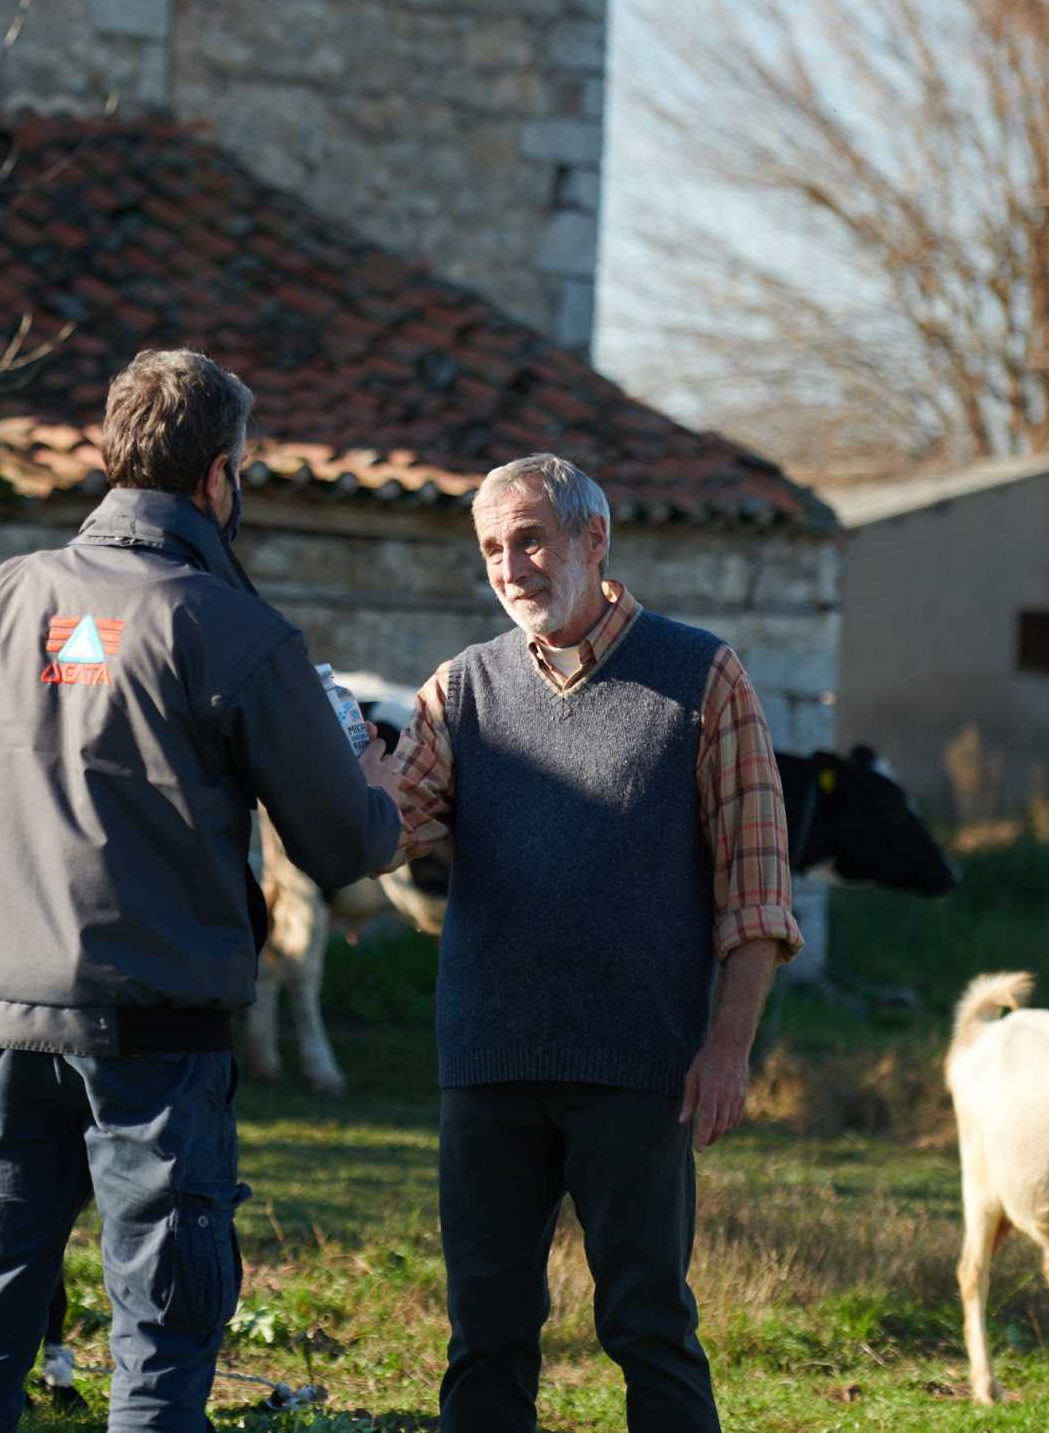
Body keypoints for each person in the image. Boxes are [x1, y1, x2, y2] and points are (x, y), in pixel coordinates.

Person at [0, 347, 402, 1433]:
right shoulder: (236, 631)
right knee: (159, 1337)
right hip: (160, 1039)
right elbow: (342, 847)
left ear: (112, 455)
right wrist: (383, 791)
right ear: (218, 475)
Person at [387, 452, 801, 1433]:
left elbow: (757, 889)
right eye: (492, 547)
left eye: (529, 538)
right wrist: (344, 774)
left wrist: (727, 1049)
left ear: (592, 539)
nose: (510, 565)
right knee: (484, 1332)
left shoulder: (702, 676)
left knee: (647, 1323)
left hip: (637, 1064)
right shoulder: (459, 691)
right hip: (488, 1061)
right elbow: (389, 831)